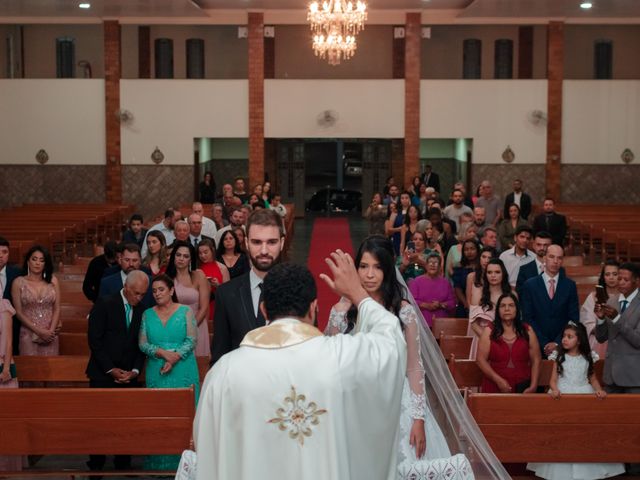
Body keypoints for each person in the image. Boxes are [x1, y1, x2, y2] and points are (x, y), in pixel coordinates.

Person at [194, 257, 408, 480]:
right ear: (314, 308)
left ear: (264, 310)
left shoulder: (224, 372)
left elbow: (209, 448)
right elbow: (390, 340)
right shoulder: (340, 358)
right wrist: (358, 294)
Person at [527, 323, 624, 480]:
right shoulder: (559, 356)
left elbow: (592, 378)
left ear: (579, 340)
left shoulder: (588, 357)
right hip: (563, 393)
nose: (565, 339)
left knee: (585, 432)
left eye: (570, 337)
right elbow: (553, 380)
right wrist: (555, 389)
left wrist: (599, 389)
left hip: (583, 393)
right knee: (560, 432)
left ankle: (588, 468)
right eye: (564, 336)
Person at [85, 271, 149, 474]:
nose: (139, 298)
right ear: (126, 288)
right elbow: (95, 340)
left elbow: (142, 344)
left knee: (126, 422)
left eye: (143, 294)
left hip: (129, 375)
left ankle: (123, 462)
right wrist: (111, 369)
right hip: (102, 374)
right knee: (99, 422)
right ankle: (96, 464)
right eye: (137, 293)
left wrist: (135, 371)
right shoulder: (104, 303)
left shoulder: (142, 310)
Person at [139, 274, 199, 471]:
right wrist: (162, 353)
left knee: (183, 413)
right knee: (159, 414)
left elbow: (191, 340)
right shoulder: (147, 314)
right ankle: (158, 465)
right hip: (157, 367)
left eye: (161, 289)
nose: (157, 294)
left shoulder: (185, 312)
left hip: (183, 368)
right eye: (154, 291)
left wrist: (174, 357)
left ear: (172, 290)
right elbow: (142, 343)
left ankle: (186, 466)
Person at [210, 209, 284, 365]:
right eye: (257, 242)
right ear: (246, 243)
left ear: (282, 243)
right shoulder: (226, 294)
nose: (264, 250)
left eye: (271, 242)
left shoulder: (297, 291)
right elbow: (219, 357)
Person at [521, 245, 579, 357]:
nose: (555, 261)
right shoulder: (530, 285)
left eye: (559, 258)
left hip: (563, 345)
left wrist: (557, 342)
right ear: (544, 258)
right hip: (535, 345)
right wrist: (544, 343)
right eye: (551, 257)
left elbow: (573, 318)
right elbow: (528, 318)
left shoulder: (570, 285)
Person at [477, 293, 541, 393]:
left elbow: (536, 360)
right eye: (503, 306)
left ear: (517, 309)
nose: (507, 309)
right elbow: (481, 360)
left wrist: (533, 386)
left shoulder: (528, 330)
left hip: (523, 386)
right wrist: (498, 380)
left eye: (511, 305)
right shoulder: (489, 331)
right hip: (494, 385)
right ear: (498, 310)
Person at [594, 262, 640, 394]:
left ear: (636, 281)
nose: (621, 282)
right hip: (611, 374)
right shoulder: (611, 301)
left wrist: (617, 318)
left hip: (633, 376)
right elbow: (601, 338)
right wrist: (601, 319)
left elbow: (637, 340)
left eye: (626, 280)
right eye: (619, 279)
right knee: (609, 415)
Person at [12, 246, 60, 356]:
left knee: (53, 370)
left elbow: (57, 308)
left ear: (45, 264)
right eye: (34, 259)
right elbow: (18, 313)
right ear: (28, 261)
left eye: (41, 260)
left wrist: (50, 332)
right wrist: (38, 331)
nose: (37, 263)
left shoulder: (53, 281)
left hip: (50, 334)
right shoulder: (18, 282)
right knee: (29, 370)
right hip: (28, 333)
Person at [166, 241, 210, 356]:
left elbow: (204, 307)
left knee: (199, 367)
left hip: (197, 326)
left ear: (191, 259)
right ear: (173, 256)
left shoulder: (199, 275)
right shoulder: (167, 279)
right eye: (178, 255)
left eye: (186, 256)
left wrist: (190, 328)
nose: (181, 259)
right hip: (174, 328)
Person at [468, 259, 512, 358]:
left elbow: (516, 322)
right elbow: (473, 324)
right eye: (489, 272)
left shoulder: (511, 295)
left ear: (503, 274)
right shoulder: (478, 293)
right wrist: (490, 341)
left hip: (506, 340)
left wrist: (503, 341)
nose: (493, 275)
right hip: (482, 339)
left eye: (497, 272)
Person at [580, 260, 619, 358]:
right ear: (603, 277)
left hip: (621, 342)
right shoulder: (594, 297)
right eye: (607, 274)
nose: (611, 277)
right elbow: (586, 322)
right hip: (598, 342)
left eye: (615, 274)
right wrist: (602, 328)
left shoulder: (625, 296)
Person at [98, 244, 154, 308]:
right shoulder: (107, 283)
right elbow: (101, 309)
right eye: (127, 260)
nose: (131, 264)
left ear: (140, 261)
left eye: (135, 260)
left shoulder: (150, 282)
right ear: (120, 260)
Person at [409, 253, 455, 328]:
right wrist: (427, 305)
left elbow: (452, 303)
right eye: (430, 262)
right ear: (426, 266)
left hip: (441, 324)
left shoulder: (446, 283)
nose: (432, 265)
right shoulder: (416, 281)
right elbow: (411, 301)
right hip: (421, 323)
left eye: (435, 263)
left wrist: (440, 305)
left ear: (440, 267)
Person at [0, 297, 20, 472]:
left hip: (2, 371)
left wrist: (5, 368)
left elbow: (8, 341)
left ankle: (5, 468)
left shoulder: (3, 306)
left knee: (4, 422)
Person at [197, 239, 230, 325]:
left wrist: (218, 285)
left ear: (212, 250)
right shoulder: (197, 270)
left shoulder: (222, 268)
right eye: (200, 253)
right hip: (201, 307)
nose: (203, 255)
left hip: (217, 306)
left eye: (205, 252)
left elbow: (228, 293)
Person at [516, 230, 553, 297]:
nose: (542, 248)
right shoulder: (524, 270)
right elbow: (521, 294)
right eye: (539, 245)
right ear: (533, 245)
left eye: (545, 245)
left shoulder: (559, 270)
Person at [452, 239, 480, 318]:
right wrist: (466, 304)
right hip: (464, 305)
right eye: (466, 250)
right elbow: (457, 288)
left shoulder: (482, 267)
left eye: (472, 249)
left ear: (477, 250)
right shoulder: (459, 267)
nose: (469, 252)